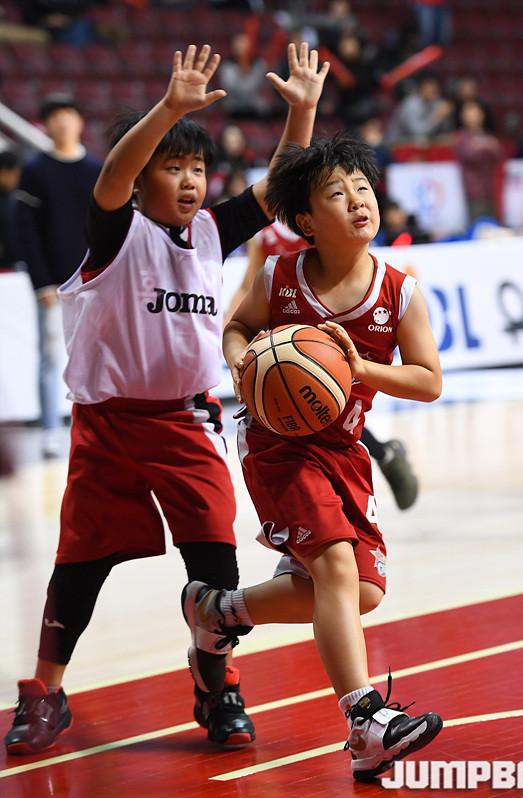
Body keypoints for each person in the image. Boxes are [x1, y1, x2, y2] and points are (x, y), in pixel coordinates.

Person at [4, 41, 329, 756]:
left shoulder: (210, 232)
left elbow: (279, 189)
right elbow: (111, 175)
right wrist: (169, 109)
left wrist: (301, 113)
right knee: (80, 564)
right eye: (172, 167)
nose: (189, 181)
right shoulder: (114, 230)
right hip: (107, 426)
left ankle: (216, 682)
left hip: (186, 421)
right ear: (141, 176)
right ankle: (46, 690)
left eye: (197, 169)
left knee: (216, 565)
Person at [184, 133, 443, 782]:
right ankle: (365, 721)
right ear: (305, 219)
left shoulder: (399, 291)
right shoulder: (280, 276)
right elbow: (236, 328)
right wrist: (245, 359)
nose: (357, 199)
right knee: (334, 566)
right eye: (337, 192)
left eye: (363, 187)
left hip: (343, 449)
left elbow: (428, 380)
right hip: (278, 445)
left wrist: (361, 369)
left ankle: (219, 611)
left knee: (361, 592)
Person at [226, 218, 419, 509]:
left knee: (333, 408)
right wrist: (232, 324)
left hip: (333, 338)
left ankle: (383, 454)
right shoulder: (266, 237)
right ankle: (382, 454)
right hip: (290, 345)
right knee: (306, 405)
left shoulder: (328, 226)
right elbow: (247, 284)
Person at [16, 93, 102, 458]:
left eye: (68, 114)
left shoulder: (97, 169)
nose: (62, 122)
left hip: (94, 282)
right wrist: (41, 283)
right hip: (53, 284)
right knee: (51, 357)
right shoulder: (34, 171)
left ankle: (97, 426)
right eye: (54, 116)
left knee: (97, 356)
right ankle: (51, 429)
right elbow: (26, 232)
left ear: (80, 121)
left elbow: (108, 228)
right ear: (45, 125)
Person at [453, 98, 503, 225]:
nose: (473, 117)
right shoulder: (461, 138)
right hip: (473, 193)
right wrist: (487, 146)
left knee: (492, 228)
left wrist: (481, 146)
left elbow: (498, 153)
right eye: (469, 114)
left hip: (490, 190)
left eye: (476, 113)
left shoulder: (488, 135)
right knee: (477, 228)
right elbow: (472, 154)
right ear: (462, 116)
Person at [0, 148, 22, 272]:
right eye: (14, 174)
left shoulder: (12, 197)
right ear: (3, 172)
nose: (16, 179)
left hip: (12, 265)